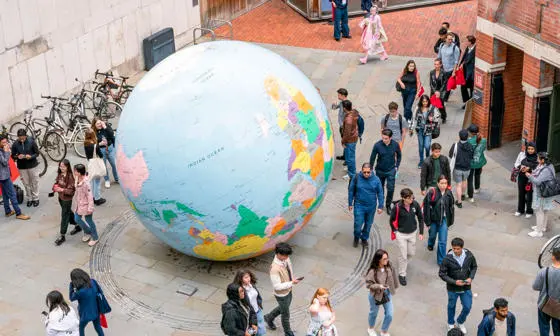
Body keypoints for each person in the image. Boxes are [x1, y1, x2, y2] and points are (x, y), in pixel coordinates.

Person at [439, 238, 478, 334]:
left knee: (467, 306)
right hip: (453, 288)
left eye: (457, 249)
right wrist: (454, 282)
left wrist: (471, 278)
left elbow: (474, 267)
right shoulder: (447, 259)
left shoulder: (469, 256)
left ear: (462, 248)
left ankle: (460, 321)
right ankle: (451, 324)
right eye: (453, 249)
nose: (455, 251)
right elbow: (442, 274)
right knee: (451, 306)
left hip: (465, 287)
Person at [264, 243, 300, 336]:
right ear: (278, 254)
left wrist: (292, 278)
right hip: (282, 294)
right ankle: (288, 333)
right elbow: (277, 286)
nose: (287, 257)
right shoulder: (274, 269)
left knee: (284, 308)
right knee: (285, 314)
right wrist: (291, 283)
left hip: (289, 289)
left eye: (288, 255)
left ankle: (269, 317)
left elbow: (290, 267)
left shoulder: (285, 258)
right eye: (285, 255)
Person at [389, 188, 423, 286]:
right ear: (403, 198)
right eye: (409, 198)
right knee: (403, 255)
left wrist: (421, 232)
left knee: (411, 253)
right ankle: (402, 274)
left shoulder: (415, 205)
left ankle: (403, 263)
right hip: (401, 234)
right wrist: (395, 231)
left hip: (412, 233)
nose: (411, 199)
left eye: (412, 197)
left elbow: (420, 218)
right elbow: (391, 220)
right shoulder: (397, 207)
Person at [348, 163, 384, 247]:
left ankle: (364, 238)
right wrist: (350, 203)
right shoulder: (356, 177)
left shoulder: (376, 179)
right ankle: (356, 237)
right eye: (364, 172)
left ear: (371, 171)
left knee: (368, 225)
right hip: (359, 205)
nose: (366, 174)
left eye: (368, 172)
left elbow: (380, 193)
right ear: (361, 170)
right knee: (358, 224)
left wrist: (380, 206)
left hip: (371, 206)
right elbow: (351, 190)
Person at [365, 249, 398, 336]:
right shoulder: (373, 271)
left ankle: (384, 331)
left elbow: (393, 275)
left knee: (390, 314)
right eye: (384, 259)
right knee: (374, 313)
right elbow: (368, 285)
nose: (387, 260)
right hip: (375, 295)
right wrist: (379, 286)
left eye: (387, 258)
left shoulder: (389, 266)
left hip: (387, 293)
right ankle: (370, 328)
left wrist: (395, 286)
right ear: (379, 260)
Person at [423, 175, 455, 265]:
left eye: (445, 183)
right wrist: (427, 222)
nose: (443, 185)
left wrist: (450, 221)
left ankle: (441, 261)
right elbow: (426, 207)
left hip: (444, 220)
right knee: (432, 235)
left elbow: (451, 208)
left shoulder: (449, 193)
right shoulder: (432, 192)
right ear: (437, 183)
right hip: (433, 219)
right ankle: (430, 243)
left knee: (442, 241)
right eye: (442, 183)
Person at [526, 152, 558, 238]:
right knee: (545, 210)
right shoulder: (549, 165)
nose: (537, 159)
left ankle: (538, 232)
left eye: (538, 158)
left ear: (543, 160)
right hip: (546, 192)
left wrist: (529, 175)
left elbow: (537, 181)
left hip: (542, 193)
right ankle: (542, 227)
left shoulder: (546, 170)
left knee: (539, 211)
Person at [370, 128, 402, 215]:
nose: (384, 140)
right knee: (380, 189)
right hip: (380, 170)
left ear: (390, 138)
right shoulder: (377, 145)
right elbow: (372, 157)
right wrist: (370, 169)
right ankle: (381, 204)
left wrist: (396, 167)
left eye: (386, 138)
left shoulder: (395, 145)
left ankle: (388, 205)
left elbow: (399, 155)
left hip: (391, 170)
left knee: (391, 188)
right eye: (383, 138)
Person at [0, 135, 30, 220]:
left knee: (5, 194)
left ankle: (8, 211)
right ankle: (18, 213)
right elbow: (5, 162)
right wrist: (7, 152)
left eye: (6, 142)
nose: (5, 144)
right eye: (3, 142)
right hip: (4, 177)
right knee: (13, 194)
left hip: (3, 175)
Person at [69, 268, 105, 336]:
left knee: (81, 328)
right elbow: (100, 291)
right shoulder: (93, 282)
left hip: (85, 315)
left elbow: (71, 298)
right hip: (96, 311)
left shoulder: (80, 292)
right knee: (98, 327)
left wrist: (71, 286)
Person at [53, 159, 81, 246]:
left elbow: (71, 191)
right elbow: (57, 182)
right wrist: (55, 186)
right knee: (68, 212)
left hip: (66, 200)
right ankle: (78, 225)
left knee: (64, 215)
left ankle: (62, 235)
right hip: (60, 198)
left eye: (63, 166)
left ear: (67, 167)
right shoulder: (60, 174)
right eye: (60, 166)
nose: (61, 168)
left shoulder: (70, 177)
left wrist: (61, 189)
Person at [532, 247, 560, 334]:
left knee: (544, 327)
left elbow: (535, 286)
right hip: (558, 308)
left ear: (553, 257)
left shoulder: (544, 271)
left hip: (544, 304)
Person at [11, 128, 40, 207]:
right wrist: (17, 156)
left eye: (23, 138)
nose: (22, 140)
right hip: (22, 167)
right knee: (26, 183)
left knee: (34, 182)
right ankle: (29, 198)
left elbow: (37, 153)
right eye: (20, 139)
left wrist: (30, 156)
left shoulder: (31, 141)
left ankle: (35, 198)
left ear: (25, 136)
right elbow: (13, 156)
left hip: (32, 165)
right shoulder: (15, 144)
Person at [73, 164, 100, 247]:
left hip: (86, 205)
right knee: (77, 219)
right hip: (79, 204)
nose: (74, 172)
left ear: (80, 172)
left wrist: (90, 207)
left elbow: (89, 196)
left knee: (89, 220)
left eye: (75, 171)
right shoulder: (77, 179)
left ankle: (95, 237)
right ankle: (88, 231)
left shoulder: (86, 183)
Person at [411, 95, 440, 168]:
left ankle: (427, 159)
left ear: (428, 101)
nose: (425, 103)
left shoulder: (432, 108)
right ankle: (421, 161)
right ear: (421, 101)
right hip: (420, 130)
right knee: (421, 147)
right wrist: (411, 128)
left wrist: (432, 118)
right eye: (423, 101)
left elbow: (438, 117)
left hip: (428, 130)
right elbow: (414, 118)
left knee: (427, 146)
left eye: (426, 101)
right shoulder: (418, 108)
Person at [234, 270, 266, 336]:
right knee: (252, 332)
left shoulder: (252, 285)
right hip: (249, 316)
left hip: (258, 310)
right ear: (240, 279)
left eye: (248, 276)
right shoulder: (240, 291)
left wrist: (259, 304)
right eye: (246, 277)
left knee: (262, 331)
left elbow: (257, 296)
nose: (248, 279)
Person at [449, 129, 474, 208]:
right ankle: (463, 194)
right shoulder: (470, 146)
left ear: (459, 136)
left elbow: (450, 155)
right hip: (467, 168)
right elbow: (471, 156)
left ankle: (459, 202)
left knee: (458, 185)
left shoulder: (455, 145)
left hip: (457, 168)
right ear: (467, 137)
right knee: (465, 181)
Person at [513, 142, 538, 218]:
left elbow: (538, 169)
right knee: (521, 193)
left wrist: (530, 168)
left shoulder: (537, 157)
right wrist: (521, 167)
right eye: (529, 149)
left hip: (530, 178)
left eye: (532, 149)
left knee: (529, 195)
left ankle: (529, 211)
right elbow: (516, 163)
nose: (530, 150)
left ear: (535, 149)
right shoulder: (522, 154)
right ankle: (520, 210)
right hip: (521, 177)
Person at [92, 118, 119, 189]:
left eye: (100, 123)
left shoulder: (106, 127)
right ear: (94, 125)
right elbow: (91, 143)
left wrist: (105, 127)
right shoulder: (93, 132)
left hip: (110, 148)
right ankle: (107, 180)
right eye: (98, 124)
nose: (100, 125)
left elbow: (112, 135)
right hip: (101, 150)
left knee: (114, 164)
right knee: (104, 167)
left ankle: (117, 178)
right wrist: (99, 144)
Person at [84, 129, 106, 206]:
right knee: (97, 182)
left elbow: (88, 155)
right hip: (96, 164)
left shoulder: (85, 144)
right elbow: (101, 155)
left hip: (90, 163)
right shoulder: (95, 146)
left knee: (92, 181)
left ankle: (92, 197)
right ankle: (97, 198)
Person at [466, 124, 487, 203]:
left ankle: (470, 195)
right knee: (477, 175)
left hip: (471, 163)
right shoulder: (484, 140)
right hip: (480, 161)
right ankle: (477, 188)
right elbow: (483, 149)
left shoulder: (468, 141)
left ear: (471, 133)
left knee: (470, 179)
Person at [438, 33, 461, 102]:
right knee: (441, 83)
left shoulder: (455, 48)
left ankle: (445, 98)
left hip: (450, 70)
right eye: (449, 39)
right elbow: (439, 57)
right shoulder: (441, 45)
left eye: (451, 39)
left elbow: (456, 61)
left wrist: (454, 72)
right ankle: (441, 96)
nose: (450, 41)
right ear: (445, 39)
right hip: (442, 68)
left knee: (447, 85)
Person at [341, 100, 359, 181]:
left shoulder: (348, 119)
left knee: (349, 158)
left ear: (344, 108)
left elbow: (347, 133)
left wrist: (343, 141)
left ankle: (351, 174)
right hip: (354, 137)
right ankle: (351, 170)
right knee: (351, 156)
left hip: (350, 140)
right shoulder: (354, 112)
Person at [460, 35, 476, 109]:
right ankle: (466, 102)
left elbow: (469, 61)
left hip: (471, 74)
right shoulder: (468, 48)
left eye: (467, 41)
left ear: (470, 42)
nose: (466, 42)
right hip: (465, 72)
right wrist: (460, 65)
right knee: (463, 87)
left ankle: (470, 104)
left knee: (472, 89)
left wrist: (464, 63)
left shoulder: (475, 50)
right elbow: (464, 57)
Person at [429, 58, 448, 123]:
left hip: (441, 91)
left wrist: (439, 92)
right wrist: (435, 91)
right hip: (434, 91)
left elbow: (445, 83)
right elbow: (431, 83)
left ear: (440, 65)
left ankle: (444, 116)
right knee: (432, 105)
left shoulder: (444, 73)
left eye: (437, 64)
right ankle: (433, 117)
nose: (436, 66)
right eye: (435, 64)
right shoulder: (432, 72)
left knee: (440, 105)